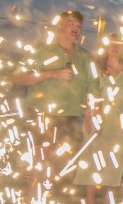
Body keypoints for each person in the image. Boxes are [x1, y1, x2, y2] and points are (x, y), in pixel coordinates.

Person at [15, 10, 98, 182]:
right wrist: (51, 74)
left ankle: (48, 203)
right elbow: (20, 78)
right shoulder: (42, 51)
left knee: (58, 165)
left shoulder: (85, 57)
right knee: (40, 162)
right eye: (71, 23)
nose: (75, 28)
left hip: (70, 117)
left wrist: (90, 113)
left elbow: (94, 87)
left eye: (79, 26)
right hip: (42, 114)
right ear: (59, 25)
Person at [74, 33, 123, 204]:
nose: (115, 47)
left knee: (114, 167)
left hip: (117, 124)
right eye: (111, 43)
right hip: (97, 121)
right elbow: (90, 95)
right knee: (92, 165)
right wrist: (91, 119)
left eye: (119, 44)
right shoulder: (97, 69)